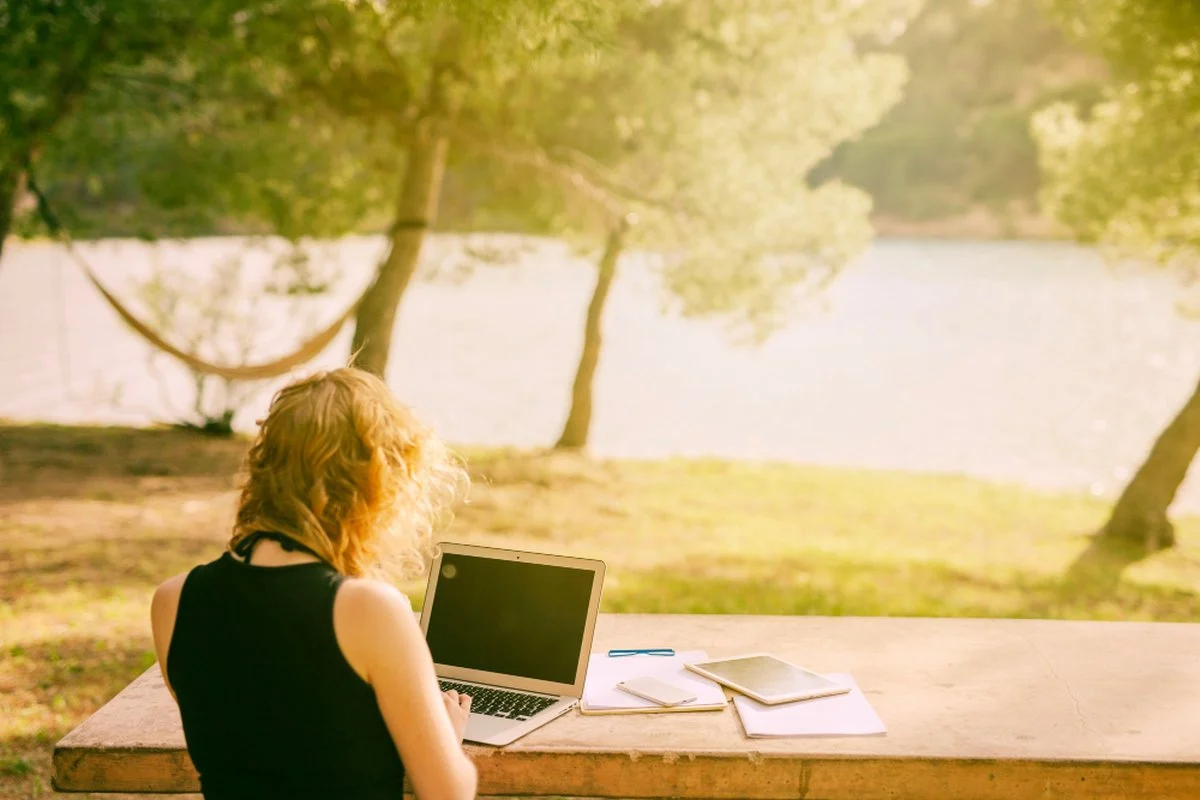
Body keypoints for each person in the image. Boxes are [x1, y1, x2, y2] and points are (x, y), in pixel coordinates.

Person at [149, 368, 477, 800]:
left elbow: (260, 738)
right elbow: (447, 794)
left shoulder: (173, 600)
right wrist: (445, 737)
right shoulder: (369, 609)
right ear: (376, 487)